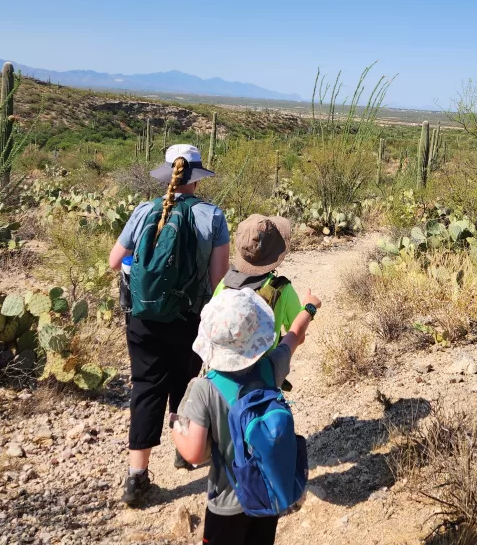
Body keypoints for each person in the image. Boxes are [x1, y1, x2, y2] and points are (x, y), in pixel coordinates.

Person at [108, 143, 230, 507]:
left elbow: (116, 261)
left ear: (167, 174)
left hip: (142, 317)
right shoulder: (213, 216)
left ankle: (136, 477)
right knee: (185, 384)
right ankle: (184, 451)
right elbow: (219, 280)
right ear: (195, 179)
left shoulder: (145, 209)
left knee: (146, 388)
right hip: (189, 317)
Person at [171, 286, 321, 545]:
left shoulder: (204, 388)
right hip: (267, 492)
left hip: (227, 503)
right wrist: (309, 307)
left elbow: (195, 454)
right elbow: (294, 336)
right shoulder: (270, 368)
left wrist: (175, 427)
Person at [212, 214, 303, 350]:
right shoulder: (282, 289)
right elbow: (298, 335)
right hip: (264, 368)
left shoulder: (225, 284)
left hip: (223, 367)